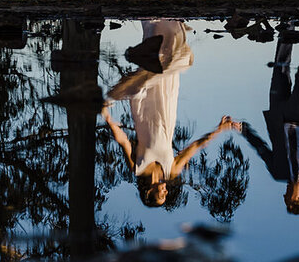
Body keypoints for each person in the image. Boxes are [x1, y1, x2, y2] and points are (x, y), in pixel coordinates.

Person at [101, 19, 241, 207]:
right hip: (166, 109)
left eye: (161, 195)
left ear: (149, 192)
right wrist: (220, 129)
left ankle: (154, 23)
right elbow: (193, 148)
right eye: (165, 194)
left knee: (148, 71)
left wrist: (108, 119)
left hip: (144, 112)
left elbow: (124, 141)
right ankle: (170, 25)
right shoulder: (172, 171)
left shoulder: (138, 169)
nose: (165, 190)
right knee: (170, 65)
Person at [240, 23, 299, 214]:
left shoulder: (278, 173)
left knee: (280, 68)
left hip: (279, 114)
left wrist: (243, 129)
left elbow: (262, 150)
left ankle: (287, 23)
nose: (284, 195)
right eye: (287, 198)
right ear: (298, 198)